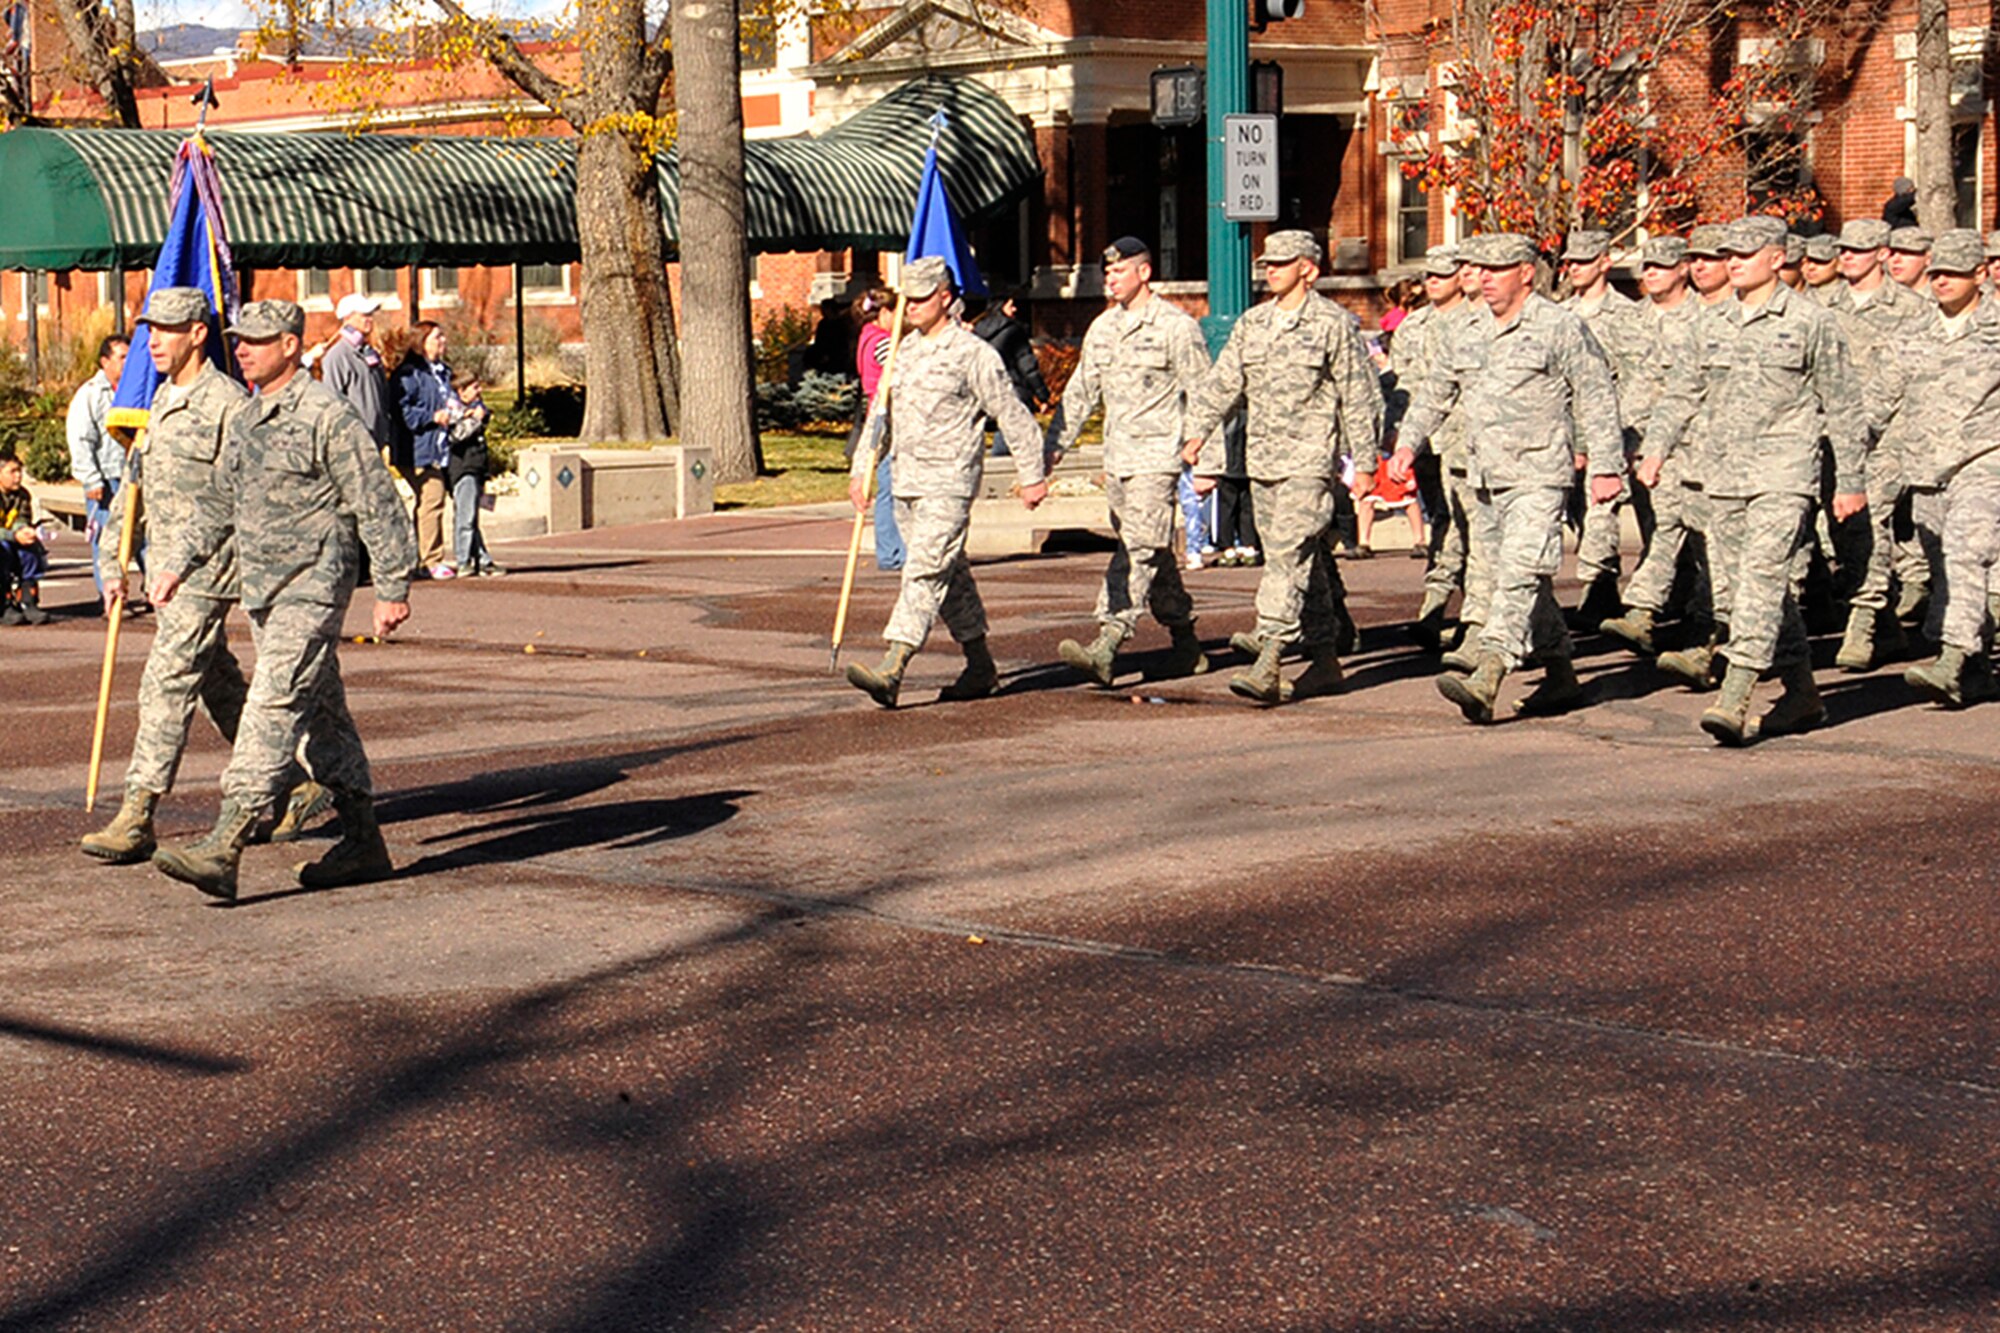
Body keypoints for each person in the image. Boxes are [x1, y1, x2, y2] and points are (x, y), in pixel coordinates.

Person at [146, 299, 418, 900]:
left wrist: (393, 588)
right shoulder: (249, 417)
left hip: (314, 584)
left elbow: (377, 502)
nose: (241, 349)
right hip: (265, 589)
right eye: (238, 340)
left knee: (272, 702)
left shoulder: (327, 415)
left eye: (257, 340)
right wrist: (176, 564)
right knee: (322, 712)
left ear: (291, 345)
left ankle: (226, 840)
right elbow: (218, 500)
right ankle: (363, 839)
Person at [1389, 231, 1625, 724]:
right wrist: (1408, 442)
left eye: (1495, 270)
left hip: (1540, 474)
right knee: (1514, 581)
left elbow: (1597, 396)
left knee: (1519, 572)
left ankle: (1489, 671)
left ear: (1525, 272)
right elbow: (1435, 392)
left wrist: (1605, 464)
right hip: (1485, 476)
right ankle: (1560, 674)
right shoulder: (1467, 330)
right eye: (1479, 269)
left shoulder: (1559, 326)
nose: (1484, 279)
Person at [1648, 215, 1867, 745]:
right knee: (1744, 587)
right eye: (1730, 253)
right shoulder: (1710, 324)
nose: (1735, 261)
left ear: (1777, 258)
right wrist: (1656, 448)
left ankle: (1737, 690)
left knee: (1766, 577)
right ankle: (1801, 691)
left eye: (1747, 252)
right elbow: (1681, 393)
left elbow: (1844, 405)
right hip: (1721, 474)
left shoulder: (1811, 322)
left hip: (1783, 471)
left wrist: (1851, 480)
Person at [78, 288, 252, 864]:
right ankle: (296, 778)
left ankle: (138, 812)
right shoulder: (157, 402)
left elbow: (240, 493)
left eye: (167, 329)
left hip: (207, 568)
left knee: (167, 680)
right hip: (164, 571)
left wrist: (187, 559)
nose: (153, 340)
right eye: (149, 329)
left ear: (198, 334)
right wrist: (111, 568)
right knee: (215, 682)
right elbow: (133, 494)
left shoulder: (227, 403)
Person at [1182, 229, 1383, 706]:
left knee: (1288, 557)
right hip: (1263, 464)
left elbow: (1358, 397)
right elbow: (1222, 383)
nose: (1269, 269)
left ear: (1307, 269)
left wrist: (1367, 463)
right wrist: (1198, 431)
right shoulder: (1253, 324)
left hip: (1309, 463)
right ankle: (1324, 659)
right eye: (1267, 262)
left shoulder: (1334, 324)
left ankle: (1269, 654)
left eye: (1281, 262)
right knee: (1297, 562)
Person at [843, 257, 1050, 709]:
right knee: (949, 575)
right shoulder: (905, 351)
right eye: (906, 300)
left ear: (944, 296)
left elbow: (1011, 414)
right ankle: (980, 665)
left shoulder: (972, 353)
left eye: (919, 298)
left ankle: (893, 665)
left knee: (923, 570)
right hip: (906, 481)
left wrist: (1032, 473)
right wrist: (863, 467)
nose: (910, 307)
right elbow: (881, 416)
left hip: (950, 481)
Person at [1046, 236, 1212, 686]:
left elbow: (1204, 394)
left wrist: (1207, 459)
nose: (1111, 279)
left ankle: (1110, 638)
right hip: (1119, 458)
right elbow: (1082, 390)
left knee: (1137, 549)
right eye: (1107, 272)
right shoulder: (1103, 328)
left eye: (1119, 271)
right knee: (1152, 550)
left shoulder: (1177, 327)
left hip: (1158, 458)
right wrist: (1054, 445)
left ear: (1145, 271)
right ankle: (1186, 643)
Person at [1859, 229, 2000, 705]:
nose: (1941, 281)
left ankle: (1954, 656)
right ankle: (1977, 670)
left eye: (1954, 273)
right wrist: (1848, 443)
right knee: (1945, 567)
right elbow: (1880, 399)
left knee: (1965, 550)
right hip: (1926, 469)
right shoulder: (1913, 332)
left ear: (1980, 274)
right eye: (1936, 272)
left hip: (1985, 460)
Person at [1602, 231, 1725, 662]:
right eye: (1645, 267)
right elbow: (1620, 381)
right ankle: (1653, 613)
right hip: (1647, 442)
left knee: (1703, 537)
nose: (1649, 274)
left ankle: (1699, 620)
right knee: (1665, 527)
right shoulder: (1630, 320)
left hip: (1704, 445)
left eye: (1659, 266)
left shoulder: (1707, 318)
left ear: (1682, 270)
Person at [1825, 217, 1935, 671]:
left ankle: (1863, 620)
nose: (1847, 256)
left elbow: (1922, 376)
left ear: (1883, 255)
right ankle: (1888, 627)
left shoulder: (1913, 309)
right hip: (1835, 434)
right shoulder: (1823, 307)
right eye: (1844, 249)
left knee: (1872, 523)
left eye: (1858, 249)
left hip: (1892, 436)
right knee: (1842, 530)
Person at [1396, 245, 1486, 654]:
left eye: (1441, 275)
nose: (1431, 281)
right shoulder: (1412, 327)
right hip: (1425, 443)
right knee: (1445, 524)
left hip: (1467, 442)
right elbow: (1402, 385)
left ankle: (1445, 610)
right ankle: (1470, 611)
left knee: (1465, 526)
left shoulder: (1478, 323)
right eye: (1427, 275)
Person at [1559, 229, 1652, 625]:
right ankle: (1606, 587)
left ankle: (1598, 586)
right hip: (1566, 431)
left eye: (1583, 261)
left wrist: (1621, 436)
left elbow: (1636, 378)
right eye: (1570, 262)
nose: (1575, 268)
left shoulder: (1627, 315)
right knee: (1579, 512)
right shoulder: (1561, 315)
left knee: (1604, 510)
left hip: (1612, 430)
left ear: (1604, 262)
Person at [66, 334, 131, 603]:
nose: (128, 362)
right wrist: (91, 479)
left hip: (134, 477)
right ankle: (108, 594)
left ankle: (154, 592)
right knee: (106, 540)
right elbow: (80, 438)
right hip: (106, 480)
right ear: (105, 361)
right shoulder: (90, 394)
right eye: (122, 357)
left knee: (144, 539)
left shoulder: (135, 389)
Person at [391, 320, 457, 578]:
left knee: (429, 500)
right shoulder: (409, 374)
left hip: (439, 446)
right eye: (436, 337)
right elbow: (401, 410)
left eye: (442, 336)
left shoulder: (443, 372)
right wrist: (432, 416)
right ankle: (430, 560)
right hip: (415, 449)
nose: (442, 341)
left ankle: (418, 558)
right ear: (421, 343)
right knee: (432, 497)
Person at [851, 287, 904, 571]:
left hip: (881, 410)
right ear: (884, 313)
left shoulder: (867, 338)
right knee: (889, 483)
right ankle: (892, 551)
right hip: (885, 413)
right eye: (896, 313)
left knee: (889, 480)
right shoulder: (882, 342)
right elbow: (902, 368)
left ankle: (894, 549)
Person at [970, 287, 1049, 457]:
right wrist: (1042, 395)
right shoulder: (1013, 331)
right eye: (1010, 305)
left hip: (986, 391)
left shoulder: (977, 332)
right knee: (1017, 440)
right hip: (1014, 390)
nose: (1014, 309)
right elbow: (1027, 365)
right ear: (1001, 307)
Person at [318, 293, 397, 459]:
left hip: (376, 440)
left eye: (370, 315)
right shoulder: (338, 356)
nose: (370, 319)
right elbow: (332, 402)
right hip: (353, 445)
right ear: (347, 317)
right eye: (364, 315)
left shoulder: (370, 353)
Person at [447, 369, 502, 577]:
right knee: (465, 517)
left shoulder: (475, 409)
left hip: (477, 467)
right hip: (463, 468)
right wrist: (475, 419)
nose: (479, 391)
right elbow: (456, 435)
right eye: (474, 387)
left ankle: (482, 559)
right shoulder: (453, 410)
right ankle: (463, 561)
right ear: (461, 391)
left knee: (473, 516)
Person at [0, 452, 52, 625]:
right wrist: (14, 535)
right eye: (12, 472)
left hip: (10, 538)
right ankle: (4, 604)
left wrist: (23, 530)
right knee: (3, 549)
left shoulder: (22, 495)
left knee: (30, 548)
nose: (18, 476)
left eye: (20, 471)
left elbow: (22, 518)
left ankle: (28, 601)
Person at [1799, 233, 1841, 304]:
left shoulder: (1852, 295)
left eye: (1820, 261)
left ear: (1839, 263)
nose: (1811, 267)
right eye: (1808, 261)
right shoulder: (1797, 296)